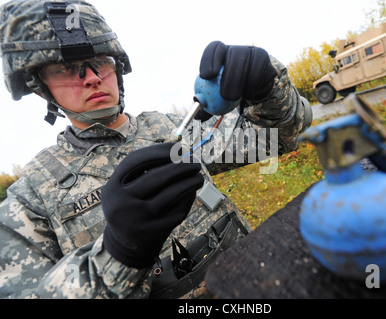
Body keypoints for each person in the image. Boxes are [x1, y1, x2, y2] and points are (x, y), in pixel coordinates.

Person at [0, 0, 312, 299]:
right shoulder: (31, 199)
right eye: (67, 69)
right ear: (39, 87)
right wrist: (119, 252)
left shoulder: (172, 130)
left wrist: (268, 86)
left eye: (100, 63)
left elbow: (272, 140)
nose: (92, 78)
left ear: (118, 67)